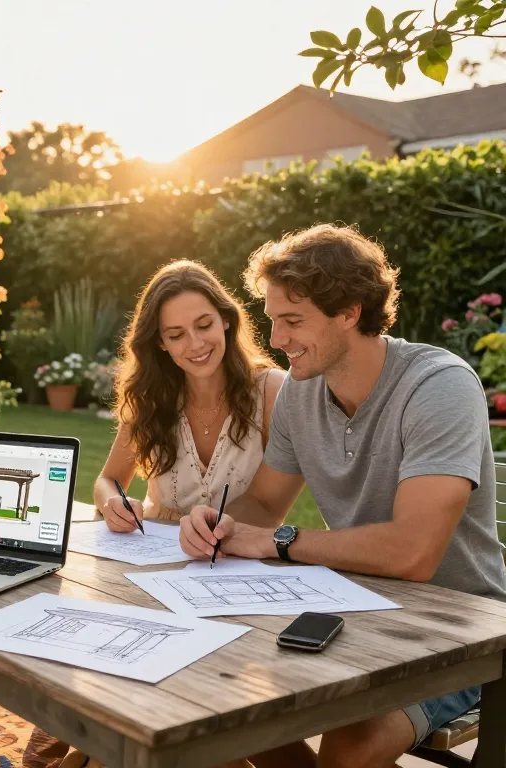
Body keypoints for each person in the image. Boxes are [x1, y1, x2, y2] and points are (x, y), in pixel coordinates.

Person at [180, 224, 506, 768]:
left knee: (350, 749)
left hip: (460, 631)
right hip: (354, 609)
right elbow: (262, 504)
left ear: (350, 312)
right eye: (273, 319)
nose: (277, 339)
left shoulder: (438, 387)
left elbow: (413, 552)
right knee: (219, 700)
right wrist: (216, 523)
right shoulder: (300, 393)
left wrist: (278, 542)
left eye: (293, 321)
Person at [94, 260, 285, 530]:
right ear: (161, 342)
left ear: (226, 319)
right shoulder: (150, 396)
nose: (195, 344)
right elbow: (108, 480)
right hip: (152, 558)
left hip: (240, 560)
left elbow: (271, 506)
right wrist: (113, 502)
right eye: (176, 335)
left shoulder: (271, 391)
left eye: (204, 325)